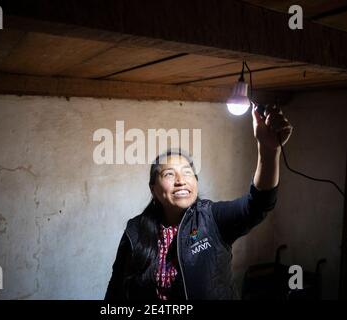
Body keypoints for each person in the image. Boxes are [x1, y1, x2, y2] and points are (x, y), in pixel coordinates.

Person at [105, 105, 293, 300]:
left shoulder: (212, 218)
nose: (181, 180)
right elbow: (116, 288)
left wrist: (269, 152)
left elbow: (257, 204)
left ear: (195, 182)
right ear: (153, 188)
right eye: (169, 174)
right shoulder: (135, 230)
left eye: (187, 172)